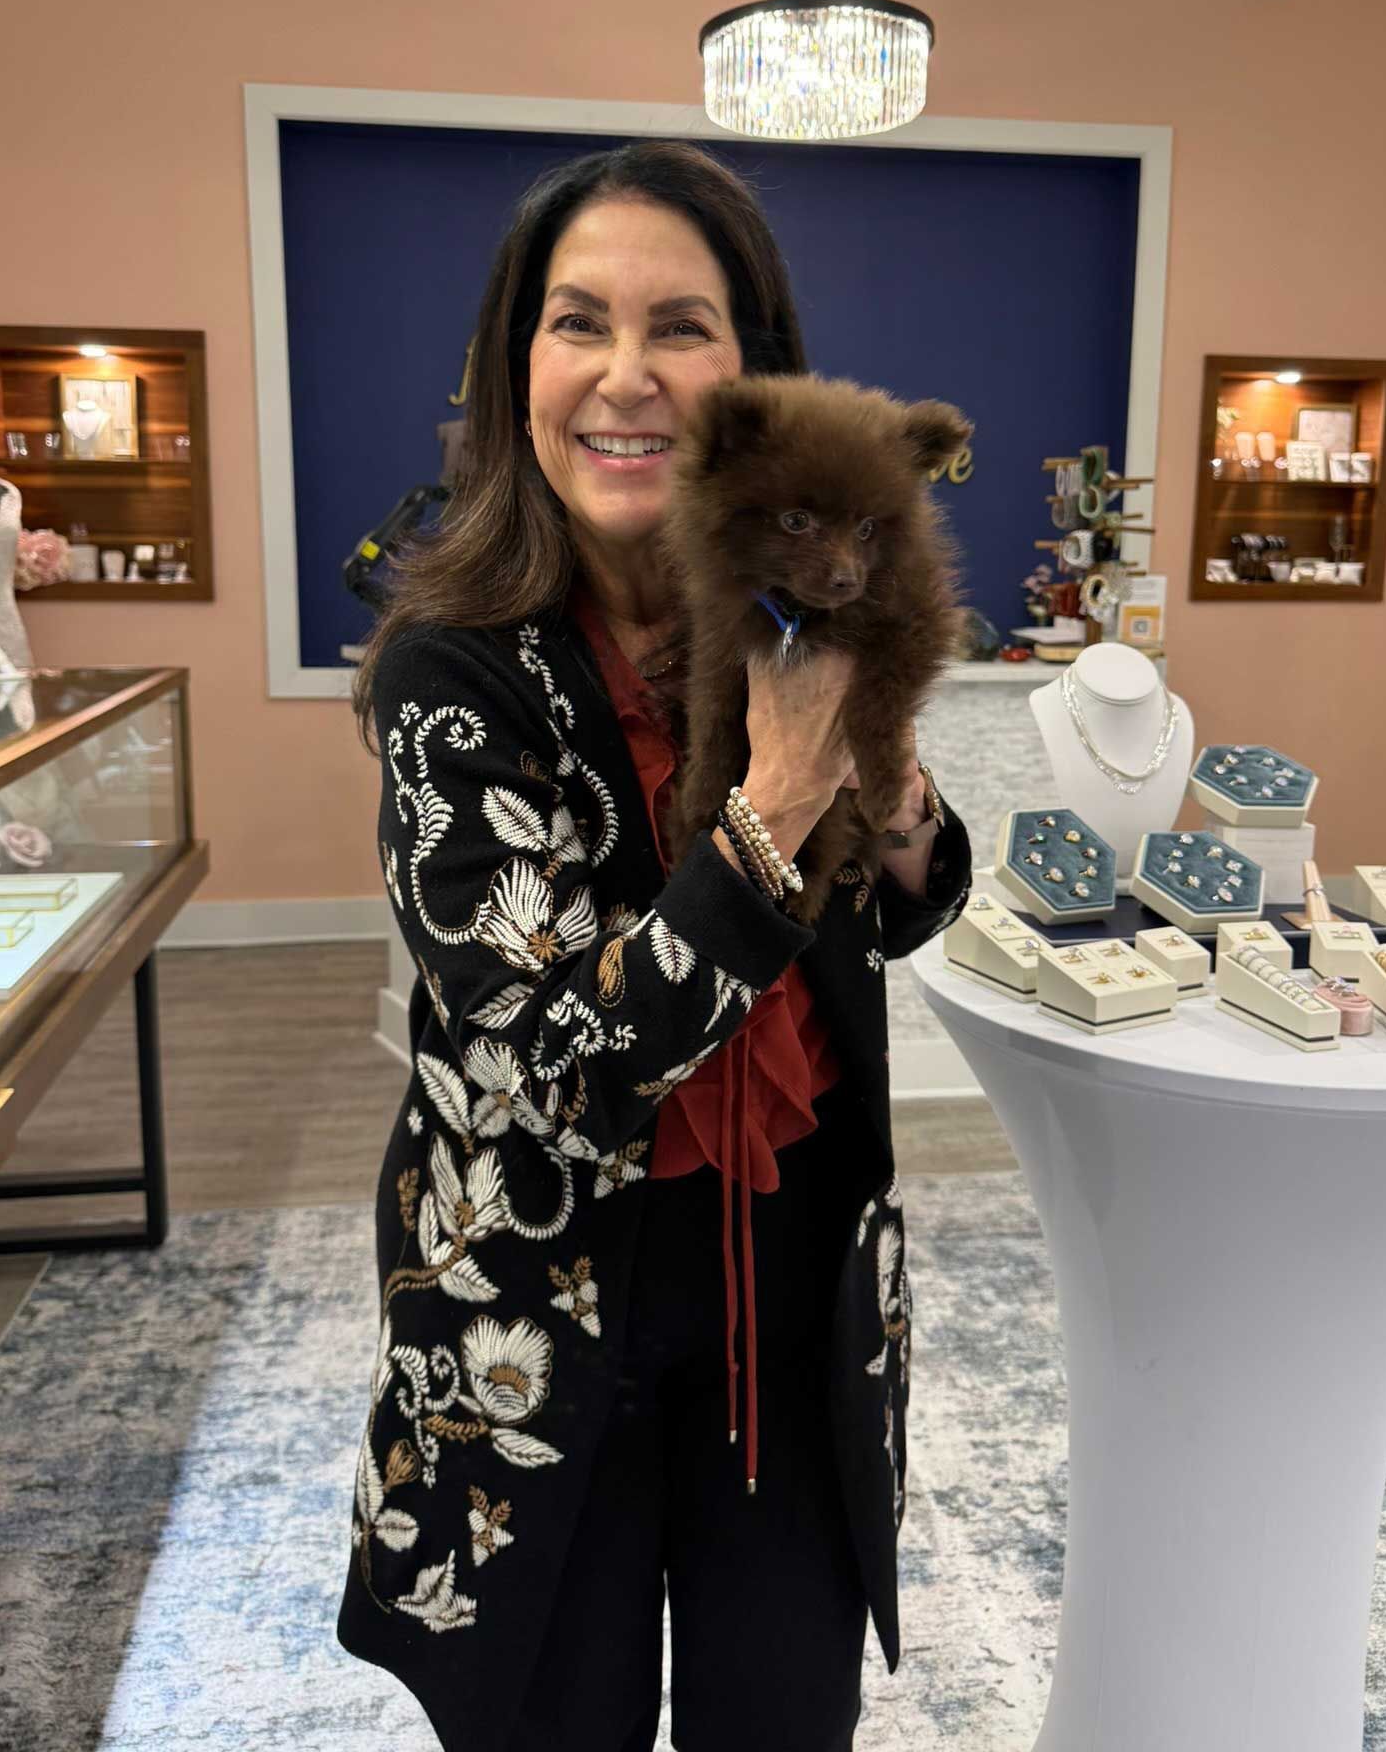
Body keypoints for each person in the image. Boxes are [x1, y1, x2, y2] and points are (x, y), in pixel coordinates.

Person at [337, 139, 972, 1752]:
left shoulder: (784, 599)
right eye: (577, 324)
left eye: (681, 325)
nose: (626, 376)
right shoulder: (451, 673)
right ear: (518, 365)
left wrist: (887, 794)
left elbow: (903, 901)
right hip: (543, 1314)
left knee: (784, 1717)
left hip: (793, 1270)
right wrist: (774, 802)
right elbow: (552, 1064)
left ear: (750, 374)